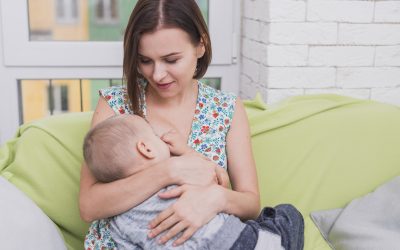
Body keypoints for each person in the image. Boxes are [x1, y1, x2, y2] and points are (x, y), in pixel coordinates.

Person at [79, 0, 303, 249]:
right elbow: (89, 206)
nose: (157, 75)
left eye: (171, 60)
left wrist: (216, 199)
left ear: (201, 46)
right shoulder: (115, 104)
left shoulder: (225, 109)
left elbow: (250, 204)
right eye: (145, 60)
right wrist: (169, 171)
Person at [83, 114, 304, 249]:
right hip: (237, 243)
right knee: (288, 214)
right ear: (146, 148)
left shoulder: (118, 221)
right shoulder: (178, 183)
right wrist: (185, 151)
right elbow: (217, 181)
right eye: (154, 136)